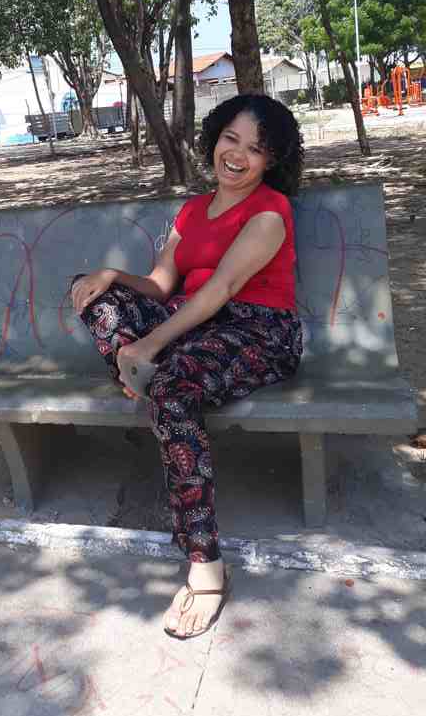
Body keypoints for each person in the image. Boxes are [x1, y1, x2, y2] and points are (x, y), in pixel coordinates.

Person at [71, 93, 304, 640]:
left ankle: (205, 564)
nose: (237, 155)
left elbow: (221, 289)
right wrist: (110, 275)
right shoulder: (193, 211)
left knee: (174, 389)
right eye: (230, 139)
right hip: (192, 325)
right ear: (214, 138)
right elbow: (160, 286)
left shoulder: (270, 211)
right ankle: (147, 376)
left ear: (271, 159)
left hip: (257, 331)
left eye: (255, 149)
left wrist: (149, 345)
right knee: (93, 295)